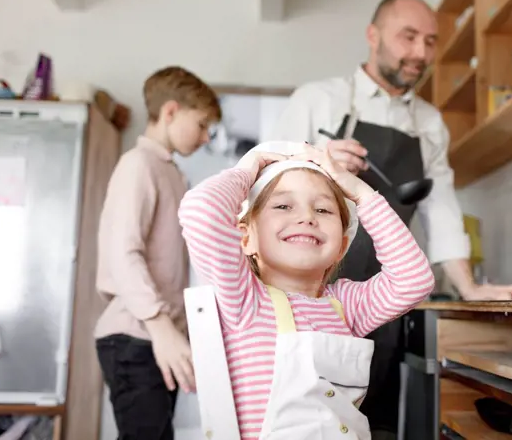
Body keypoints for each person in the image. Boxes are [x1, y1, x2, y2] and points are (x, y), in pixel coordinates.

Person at [270, 0, 512, 439]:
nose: (421, 54)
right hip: (309, 293)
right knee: (303, 417)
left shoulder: (429, 123)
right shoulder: (318, 100)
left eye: (430, 41)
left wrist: (468, 286)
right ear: (373, 37)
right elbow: (264, 181)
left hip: (385, 296)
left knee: (374, 417)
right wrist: (315, 160)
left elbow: (441, 204)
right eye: (408, 37)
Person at [177, 141, 435, 439]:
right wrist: (248, 168)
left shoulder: (345, 306)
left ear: (341, 247)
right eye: (283, 205)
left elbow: (414, 280)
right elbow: (200, 211)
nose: (307, 217)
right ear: (246, 239)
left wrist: (362, 194)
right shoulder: (244, 298)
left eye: (324, 209)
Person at [94, 66, 222, 440]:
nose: (206, 135)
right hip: (136, 335)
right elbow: (123, 254)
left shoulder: (172, 173)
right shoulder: (138, 165)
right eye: (201, 124)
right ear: (170, 112)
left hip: (154, 335)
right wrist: (160, 325)